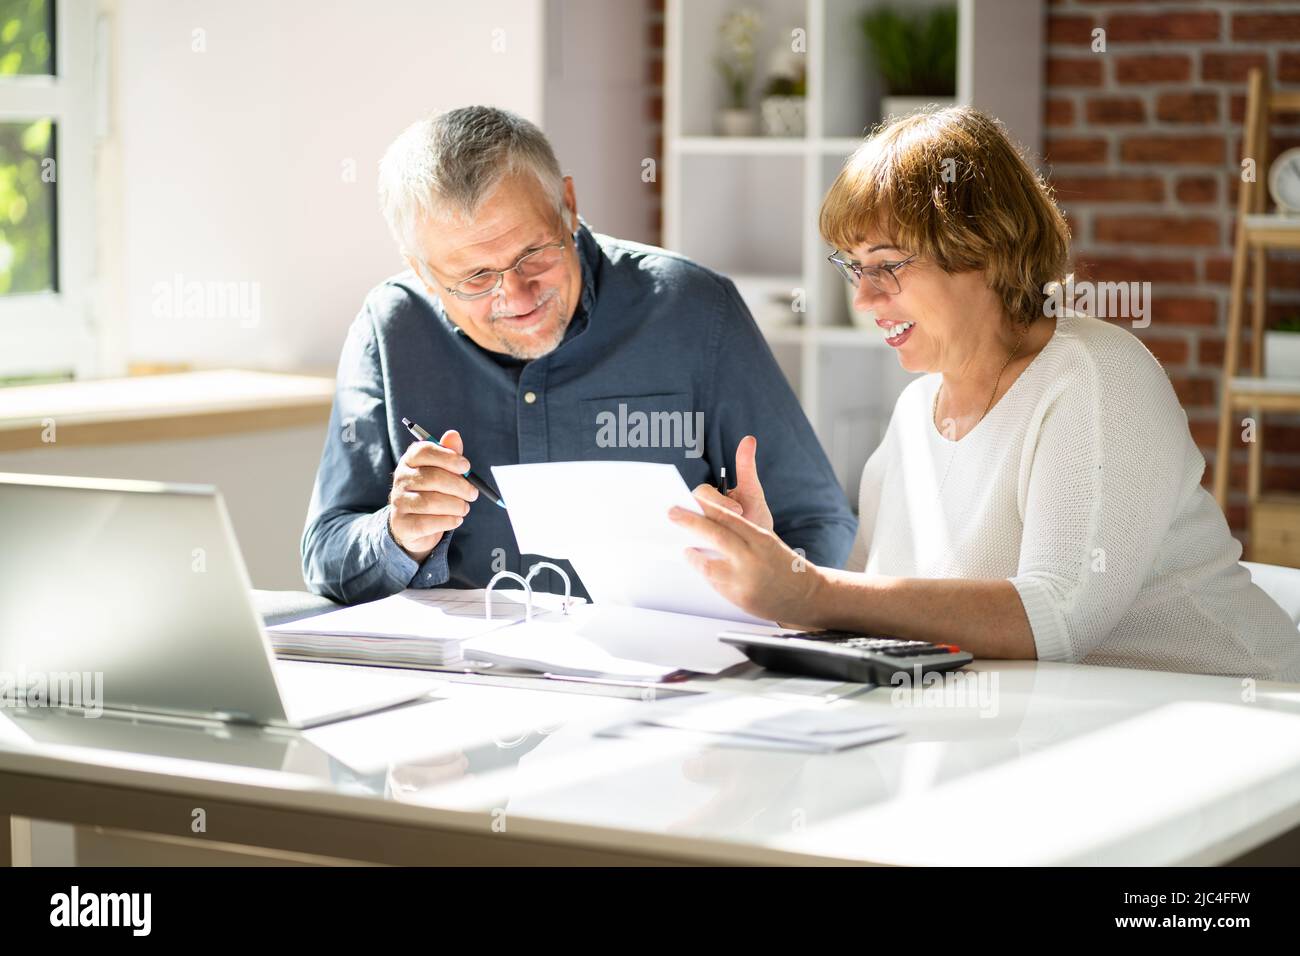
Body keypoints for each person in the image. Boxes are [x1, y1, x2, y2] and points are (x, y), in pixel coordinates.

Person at [671, 106, 1300, 680]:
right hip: (1064, 740)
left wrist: (807, 589)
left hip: (1239, 733)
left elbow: (1055, 617)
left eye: (887, 265)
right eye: (852, 267)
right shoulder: (915, 412)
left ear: (987, 250)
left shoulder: (1095, 374)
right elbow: (866, 612)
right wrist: (763, 571)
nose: (863, 299)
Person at [302, 106, 855, 604]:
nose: (516, 297)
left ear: (567, 206)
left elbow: (823, 524)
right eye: (475, 277)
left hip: (666, 685)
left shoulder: (693, 310)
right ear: (422, 269)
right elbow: (325, 553)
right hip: (465, 683)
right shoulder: (391, 328)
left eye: (533, 254)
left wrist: (763, 581)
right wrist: (399, 537)